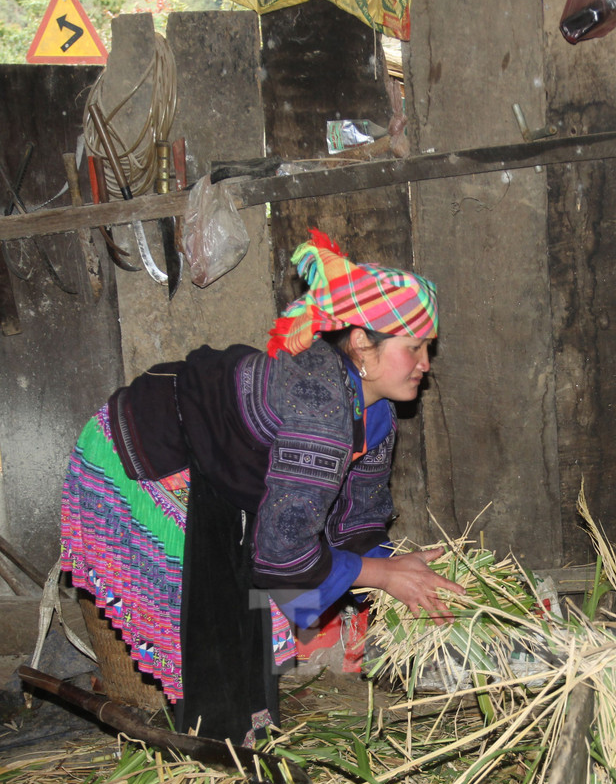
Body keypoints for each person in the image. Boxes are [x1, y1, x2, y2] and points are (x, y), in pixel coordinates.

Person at [58, 230, 462, 743]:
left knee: (271, 592)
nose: (426, 364)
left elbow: (359, 515)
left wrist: (398, 573)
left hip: (217, 466)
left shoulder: (376, 411)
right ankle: (214, 738)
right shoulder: (320, 409)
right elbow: (282, 557)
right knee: (220, 613)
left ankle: (241, 728)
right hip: (147, 455)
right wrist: (382, 576)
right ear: (363, 343)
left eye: (429, 348)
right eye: (414, 348)